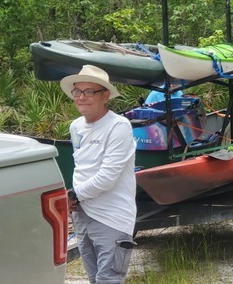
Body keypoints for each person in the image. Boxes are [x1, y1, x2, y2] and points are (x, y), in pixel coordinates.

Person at [61, 65, 137, 284]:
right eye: (78, 91)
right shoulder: (76, 127)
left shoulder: (118, 126)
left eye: (89, 92)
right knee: (94, 279)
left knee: (109, 279)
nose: (81, 97)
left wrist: (73, 195)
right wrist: (73, 197)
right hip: (83, 214)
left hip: (111, 217)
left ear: (105, 95)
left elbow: (107, 177)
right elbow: (82, 168)